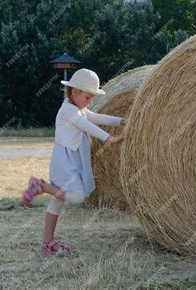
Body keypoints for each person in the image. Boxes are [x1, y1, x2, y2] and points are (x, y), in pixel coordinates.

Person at [22, 68, 126, 255]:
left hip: (73, 160)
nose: (90, 101)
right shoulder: (68, 111)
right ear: (74, 92)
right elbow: (88, 125)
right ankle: (41, 186)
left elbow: (97, 117)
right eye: (88, 97)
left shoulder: (79, 109)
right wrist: (109, 138)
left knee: (57, 203)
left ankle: (48, 242)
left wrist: (121, 121)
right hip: (66, 162)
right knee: (77, 197)